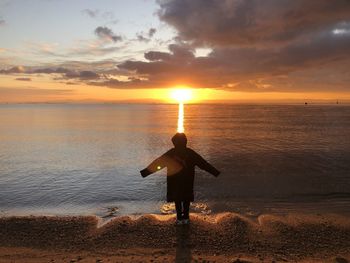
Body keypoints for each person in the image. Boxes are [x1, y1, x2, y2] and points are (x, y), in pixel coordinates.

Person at [140, 133, 220, 225]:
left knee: (177, 198)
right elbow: (203, 164)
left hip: (174, 180)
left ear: (174, 143)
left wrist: (146, 172)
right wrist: (215, 172)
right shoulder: (190, 152)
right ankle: (185, 218)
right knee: (186, 199)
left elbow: (158, 163)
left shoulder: (171, 153)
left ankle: (179, 218)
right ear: (185, 142)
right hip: (187, 180)